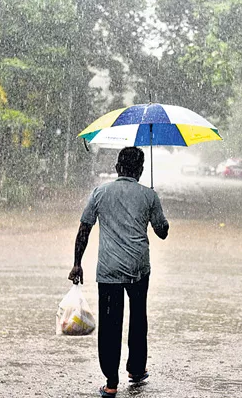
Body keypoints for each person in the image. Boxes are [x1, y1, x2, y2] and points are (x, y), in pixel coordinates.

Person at [68, 147, 169, 398]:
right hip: (138, 268)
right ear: (141, 170)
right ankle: (136, 370)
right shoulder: (148, 195)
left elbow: (84, 229)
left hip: (109, 269)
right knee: (138, 319)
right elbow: (162, 231)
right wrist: (154, 205)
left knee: (111, 324)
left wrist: (77, 263)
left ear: (117, 168)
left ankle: (111, 382)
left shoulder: (100, 192)